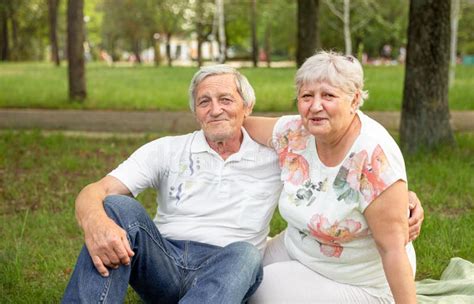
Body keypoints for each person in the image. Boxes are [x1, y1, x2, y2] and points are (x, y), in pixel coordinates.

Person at [63, 64, 423, 303]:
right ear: (195, 111)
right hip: (164, 260)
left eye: (226, 100)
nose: (216, 109)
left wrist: (397, 193)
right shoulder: (167, 150)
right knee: (115, 208)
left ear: (246, 109)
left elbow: (351, 174)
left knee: (245, 254)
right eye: (205, 102)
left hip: (229, 266)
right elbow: (95, 191)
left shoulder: (276, 154)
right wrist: (94, 221)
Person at [245, 51, 417, 303]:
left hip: (360, 281)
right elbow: (241, 125)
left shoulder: (374, 158)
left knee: (259, 290)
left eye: (328, 95)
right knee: (238, 269)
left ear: (354, 99)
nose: (315, 106)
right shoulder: (296, 132)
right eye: (307, 96)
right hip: (300, 246)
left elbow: (392, 250)